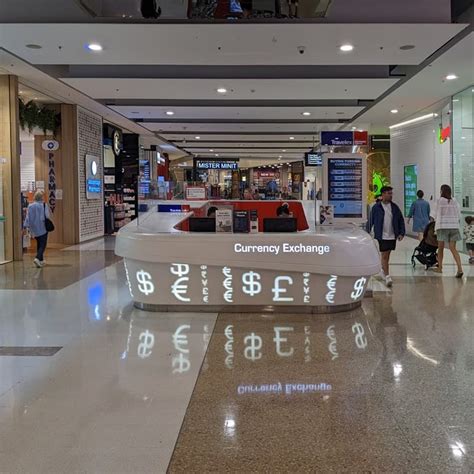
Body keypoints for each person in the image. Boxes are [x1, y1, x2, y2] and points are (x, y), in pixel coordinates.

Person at [368, 186, 405, 287]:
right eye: (389, 193)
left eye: (391, 193)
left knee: (387, 255)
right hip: (382, 235)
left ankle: (382, 271)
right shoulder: (376, 207)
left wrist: (402, 233)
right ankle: (388, 276)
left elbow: (400, 220)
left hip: (392, 235)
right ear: (383, 194)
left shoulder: (394, 207)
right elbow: (371, 220)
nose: (390, 195)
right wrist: (367, 232)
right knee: (384, 255)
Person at [433, 184, 463, 277]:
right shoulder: (455, 201)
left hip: (442, 226)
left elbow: (434, 214)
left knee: (440, 247)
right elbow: (459, 215)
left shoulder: (439, 201)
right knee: (453, 248)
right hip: (454, 226)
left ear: (442, 191)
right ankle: (460, 269)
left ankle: (440, 268)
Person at [24, 190, 51, 268]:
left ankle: (41, 260)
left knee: (39, 243)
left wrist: (25, 226)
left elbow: (27, 217)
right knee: (43, 244)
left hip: (34, 228)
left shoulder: (30, 206)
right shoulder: (44, 205)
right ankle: (37, 258)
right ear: (41, 197)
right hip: (42, 227)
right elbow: (47, 216)